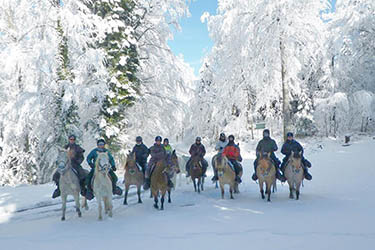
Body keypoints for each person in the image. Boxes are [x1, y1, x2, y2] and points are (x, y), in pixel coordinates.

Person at [52, 134, 87, 198]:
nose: (72, 140)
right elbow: (61, 156)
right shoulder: (65, 147)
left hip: (75, 164)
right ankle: (59, 189)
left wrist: (78, 161)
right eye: (71, 139)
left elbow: (81, 157)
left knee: (82, 174)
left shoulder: (78, 148)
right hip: (66, 164)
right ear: (69, 140)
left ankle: (83, 188)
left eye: (73, 139)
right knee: (56, 175)